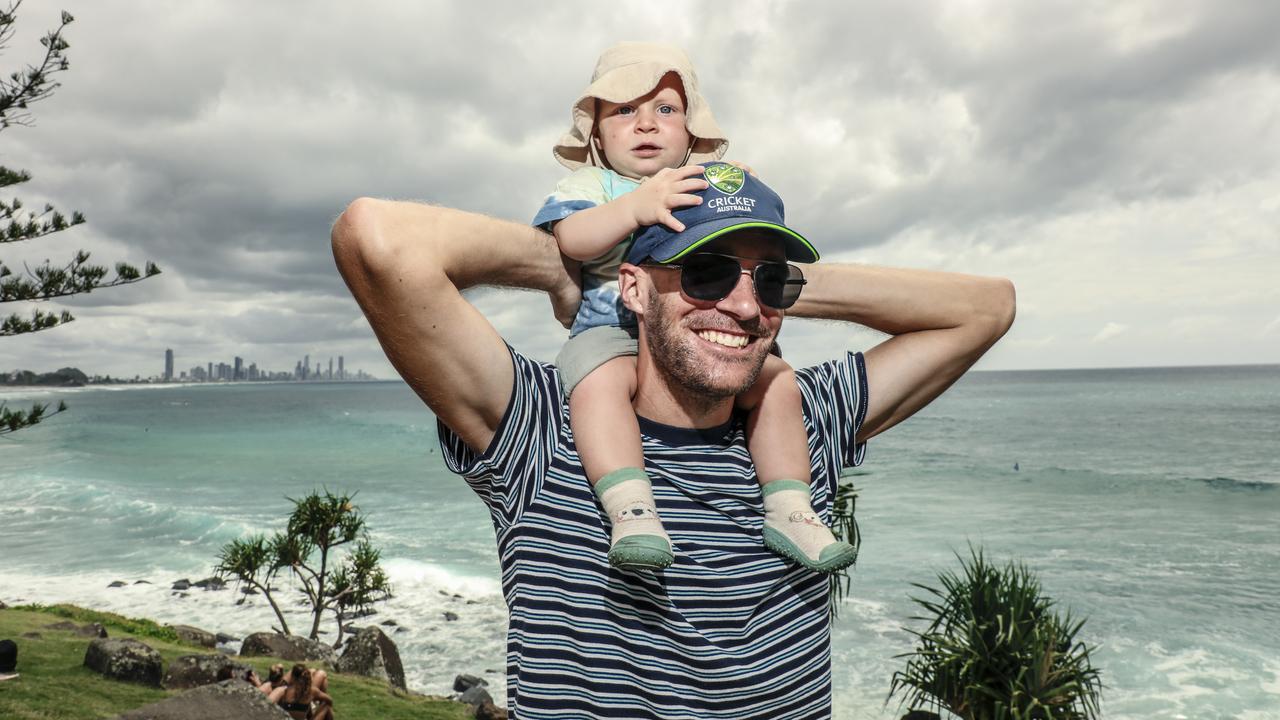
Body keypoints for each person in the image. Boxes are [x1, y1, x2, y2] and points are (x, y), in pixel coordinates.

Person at [333, 156, 1013, 716]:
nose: (744, 307)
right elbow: (378, 237)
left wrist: (777, 285)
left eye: (769, 282)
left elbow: (987, 307)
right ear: (633, 289)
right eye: (705, 270)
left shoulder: (800, 422)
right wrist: (566, 263)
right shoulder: (542, 426)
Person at [533, 42, 856, 573]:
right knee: (601, 385)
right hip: (609, 328)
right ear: (595, 132)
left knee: (777, 381)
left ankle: (790, 505)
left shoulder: (698, 181)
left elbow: (741, 217)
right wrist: (634, 206)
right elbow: (571, 238)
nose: (645, 125)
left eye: (665, 110)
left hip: (692, 333)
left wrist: (732, 182)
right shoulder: (593, 185)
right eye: (623, 110)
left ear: (691, 133)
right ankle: (630, 505)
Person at [267, 663, 334, 720]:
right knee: (326, 705)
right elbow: (330, 700)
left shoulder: (284, 691)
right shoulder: (311, 691)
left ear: (292, 677)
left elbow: (267, 704)